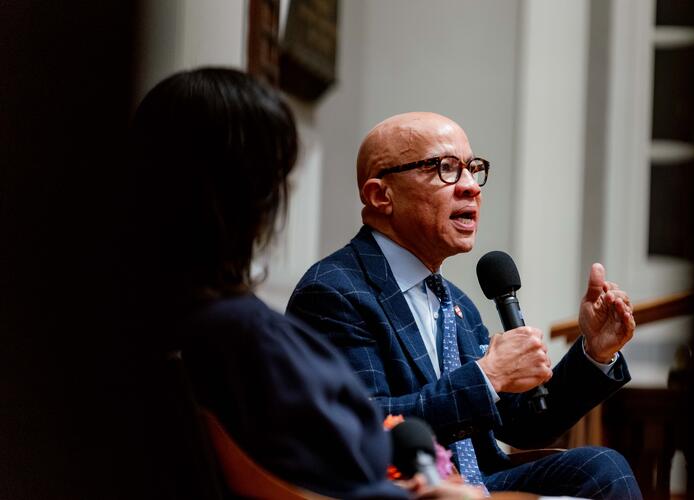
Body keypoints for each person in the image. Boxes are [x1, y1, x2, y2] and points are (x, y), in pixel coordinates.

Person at [129, 70, 483, 499]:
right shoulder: (254, 325)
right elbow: (342, 470)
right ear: (248, 195)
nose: (468, 186)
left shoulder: (157, 316)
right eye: (278, 176)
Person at [288, 112, 643, 498]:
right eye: (445, 169)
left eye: (474, 169)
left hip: (481, 482)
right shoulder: (334, 292)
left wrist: (595, 352)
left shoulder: (454, 302)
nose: (472, 187)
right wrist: (485, 377)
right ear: (380, 195)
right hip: (406, 489)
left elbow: (523, 424)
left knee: (602, 468)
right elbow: (363, 423)